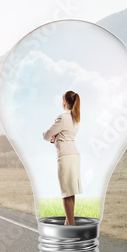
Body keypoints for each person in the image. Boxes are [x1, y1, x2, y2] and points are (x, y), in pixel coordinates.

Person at [43, 90, 82, 225]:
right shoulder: (75, 119)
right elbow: (64, 134)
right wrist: (56, 137)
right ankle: (68, 222)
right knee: (71, 192)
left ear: (65, 102)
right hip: (75, 156)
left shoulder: (63, 117)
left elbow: (47, 134)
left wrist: (50, 137)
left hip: (65, 156)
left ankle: (71, 226)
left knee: (65, 192)